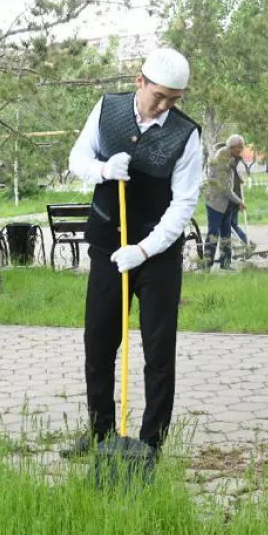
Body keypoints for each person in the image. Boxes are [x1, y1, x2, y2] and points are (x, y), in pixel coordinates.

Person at [67, 47, 202, 463]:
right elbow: (77, 159)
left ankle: (151, 443)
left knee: (159, 349)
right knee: (99, 341)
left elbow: (183, 205)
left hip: (155, 253)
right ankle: (100, 433)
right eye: (158, 95)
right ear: (139, 82)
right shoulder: (108, 109)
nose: (164, 106)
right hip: (108, 244)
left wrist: (144, 249)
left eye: (173, 100)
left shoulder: (186, 134)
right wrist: (105, 170)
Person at [203, 135, 246, 270]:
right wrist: (239, 201)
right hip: (216, 202)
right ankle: (207, 265)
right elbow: (224, 188)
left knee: (226, 234)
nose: (242, 150)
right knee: (213, 234)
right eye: (240, 147)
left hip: (226, 203)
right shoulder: (222, 159)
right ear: (234, 147)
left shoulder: (230, 156)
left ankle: (225, 263)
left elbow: (231, 177)